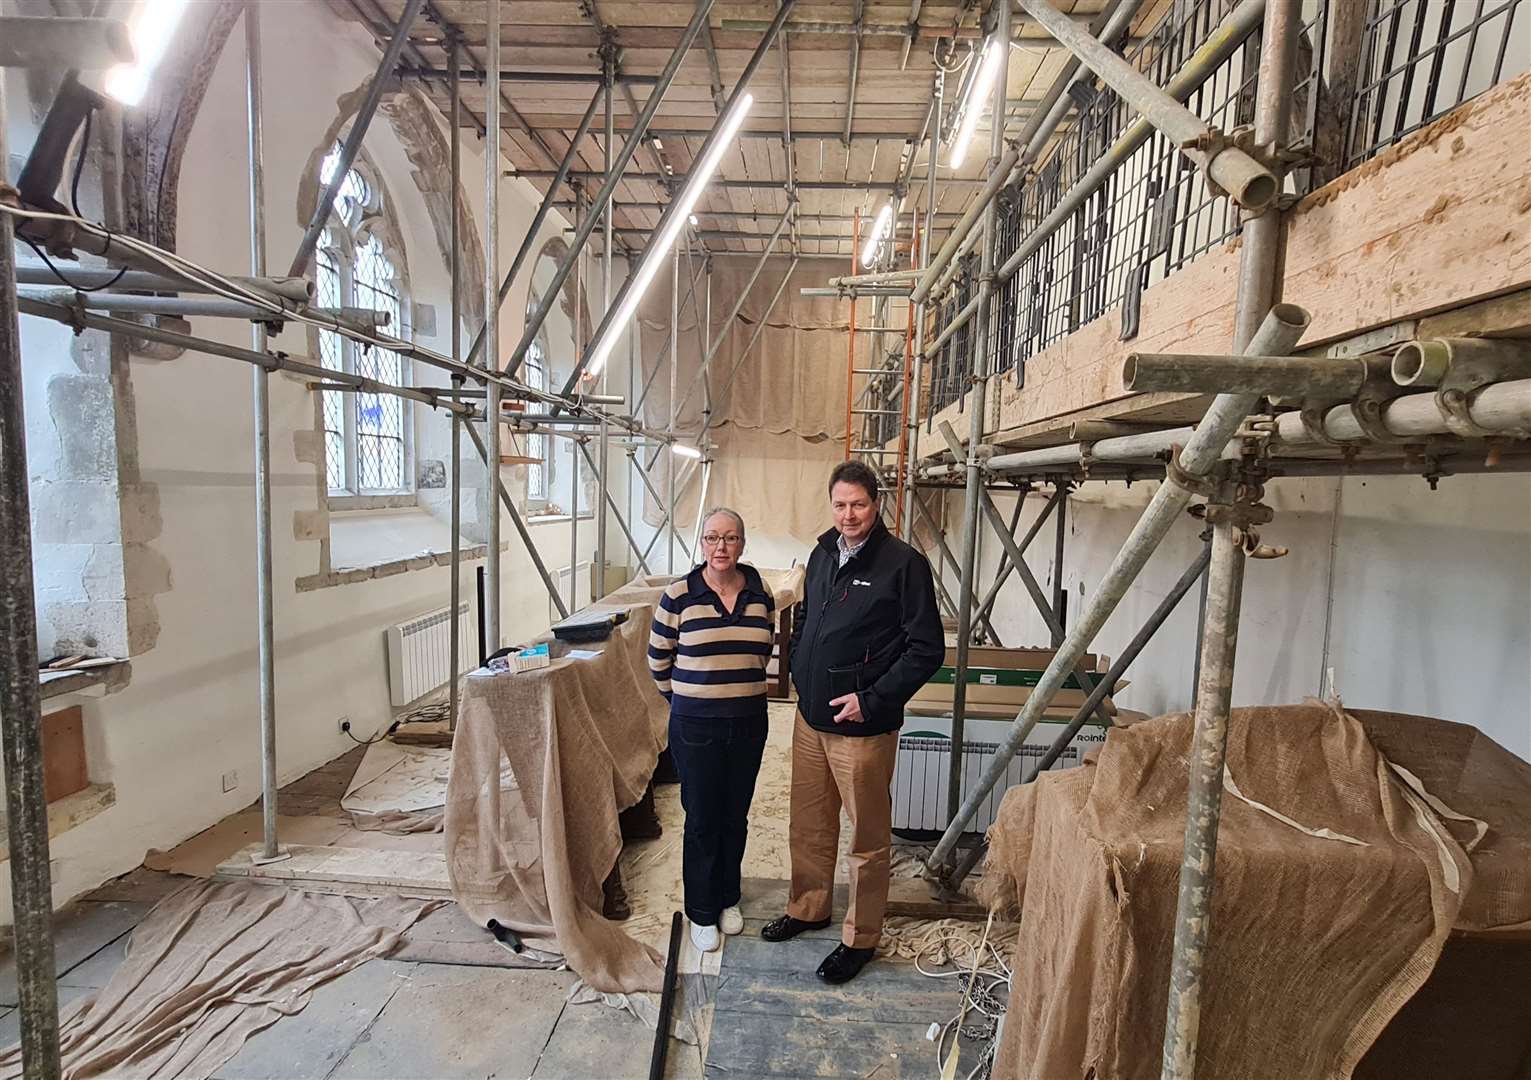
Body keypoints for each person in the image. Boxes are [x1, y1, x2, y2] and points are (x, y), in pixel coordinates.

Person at [763, 461, 944, 984]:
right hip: (811, 720)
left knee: (866, 839)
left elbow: (926, 648)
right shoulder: (822, 554)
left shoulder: (903, 565)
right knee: (809, 824)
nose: (848, 515)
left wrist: (873, 699)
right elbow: (806, 619)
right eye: (840, 504)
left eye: (858, 504)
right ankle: (808, 906)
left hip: (862, 727)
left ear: (877, 504)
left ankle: (860, 937)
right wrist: (798, 666)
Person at [647, 508, 777, 954]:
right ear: (701, 544)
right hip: (695, 725)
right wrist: (687, 699)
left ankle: (727, 898)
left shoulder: (760, 594)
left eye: (731, 538)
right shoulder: (678, 595)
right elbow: (658, 663)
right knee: (702, 818)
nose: (721, 547)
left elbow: (762, 651)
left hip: (747, 722)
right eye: (712, 538)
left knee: (734, 815)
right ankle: (702, 911)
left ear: (743, 544)